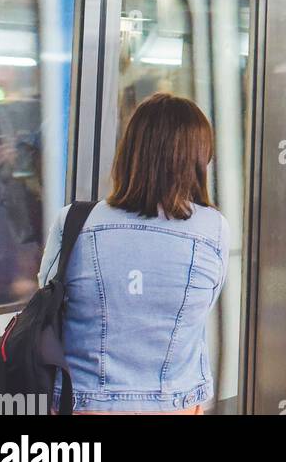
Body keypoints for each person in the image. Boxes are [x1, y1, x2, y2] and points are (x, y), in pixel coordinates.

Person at [38, 92, 229, 414]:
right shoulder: (212, 228)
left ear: (129, 153)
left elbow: (48, 297)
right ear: (199, 159)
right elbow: (204, 305)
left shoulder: (74, 220)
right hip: (175, 404)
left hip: (82, 404)